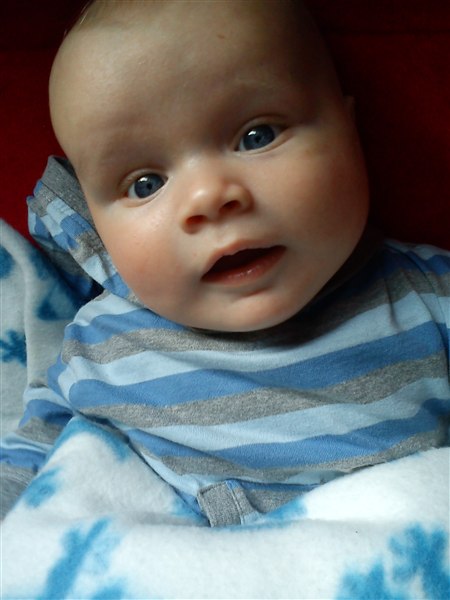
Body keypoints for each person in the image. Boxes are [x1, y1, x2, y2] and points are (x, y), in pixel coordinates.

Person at [1, 0, 449, 526]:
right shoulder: (100, 351)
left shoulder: (429, 296)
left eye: (257, 136)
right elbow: (29, 475)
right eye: (145, 184)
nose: (209, 197)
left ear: (350, 130)